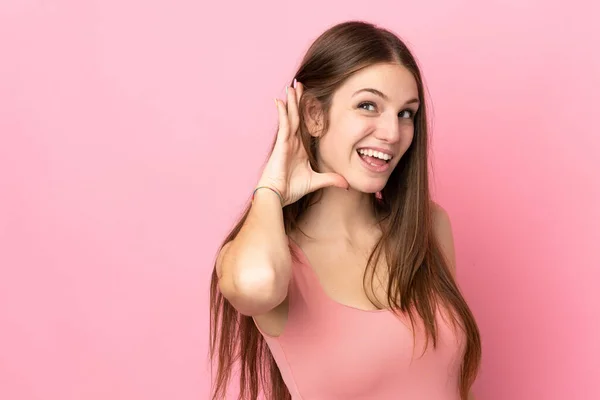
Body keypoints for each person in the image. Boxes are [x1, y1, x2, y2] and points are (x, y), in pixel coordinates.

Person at [209, 20, 481, 400]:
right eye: (368, 105)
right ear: (314, 116)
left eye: (406, 113)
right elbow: (255, 285)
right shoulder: (268, 258)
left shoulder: (429, 228)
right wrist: (270, 188)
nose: (392, 132)